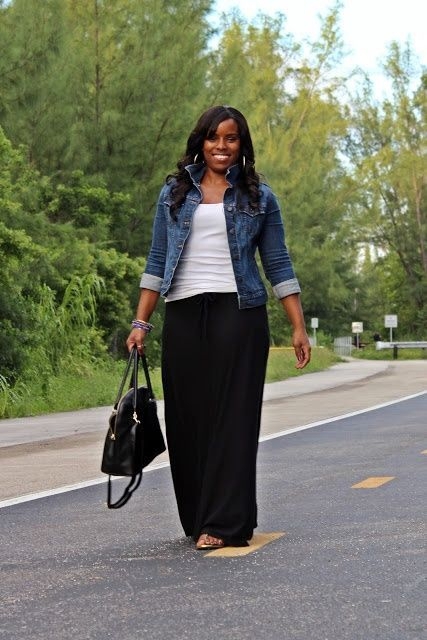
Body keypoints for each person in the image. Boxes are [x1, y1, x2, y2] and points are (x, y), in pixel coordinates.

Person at [126, 105, 311, 550]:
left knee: (233, 418)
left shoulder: (259, 197)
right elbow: (156, 259)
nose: (222, 147)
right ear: (201, 142)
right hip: (185, 313)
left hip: (239, 313)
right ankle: (199, 517)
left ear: (241, 145)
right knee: (188, 418)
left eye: (231, 139)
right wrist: (141, 322)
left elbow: (278, 263)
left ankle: (225, 522)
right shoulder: (174, 192)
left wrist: (298, 326)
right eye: (214, 139)